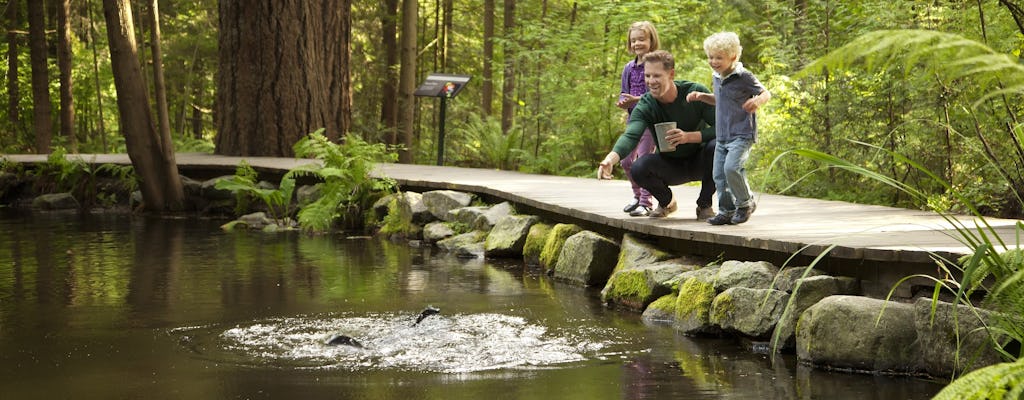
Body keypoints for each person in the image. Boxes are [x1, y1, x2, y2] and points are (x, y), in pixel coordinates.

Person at [598, 50, 717, 220]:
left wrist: (688, 137)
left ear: (671, 74)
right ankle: (667, 202)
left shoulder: (695, 93)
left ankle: (705, 204)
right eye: (647, 76)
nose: (650, 81)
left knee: (718, 146)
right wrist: (609, 159)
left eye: (656, 76)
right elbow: (631, 136)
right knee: (639, 167)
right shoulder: (646, 104)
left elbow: (722, 128)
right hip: (670, 165)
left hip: (701, 161)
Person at [687, 32, 771, 225]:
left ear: (733, 57)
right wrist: (701, 96)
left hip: (742, 133)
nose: (713, 61)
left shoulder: (744, 76)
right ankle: (726, 210)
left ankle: (745, 204)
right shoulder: (716, 76)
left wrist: (757, 100)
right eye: (710, 57)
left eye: (719, 58)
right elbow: (720, 101)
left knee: (731, 168)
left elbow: (766, 93)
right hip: (723, 135)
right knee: (718, 175)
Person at [616, 21, 659, 217]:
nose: (637, 44)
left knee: (643, 161)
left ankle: (646, 202)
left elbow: (659, 93)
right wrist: (623, 102)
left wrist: (638, 99)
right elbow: (624, 92)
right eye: (633, 40)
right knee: (626, 161)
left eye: (641, 39)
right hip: (633, 120)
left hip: (650, 121)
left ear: (651, 40)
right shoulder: (629, 68)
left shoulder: (656, 65)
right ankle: (636, 195)